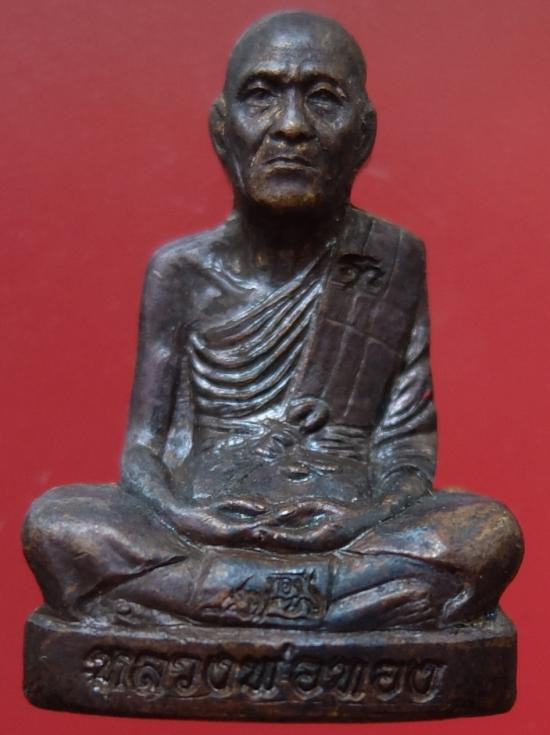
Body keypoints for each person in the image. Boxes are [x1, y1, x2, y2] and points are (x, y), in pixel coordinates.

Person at [23, 11, 522, 632]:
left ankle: (201, 598)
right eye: (261, 96)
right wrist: (185, 517)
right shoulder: (181, 273)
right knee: (59, 523)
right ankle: (332, 605)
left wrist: (364, 518)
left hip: (343, 526)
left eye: (322, 99)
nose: (291, 126)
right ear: (221, 129)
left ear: (364, 134)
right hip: (205, 522)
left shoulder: (389, 261)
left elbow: (405, 447)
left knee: (486, 532)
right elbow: (146, 448)